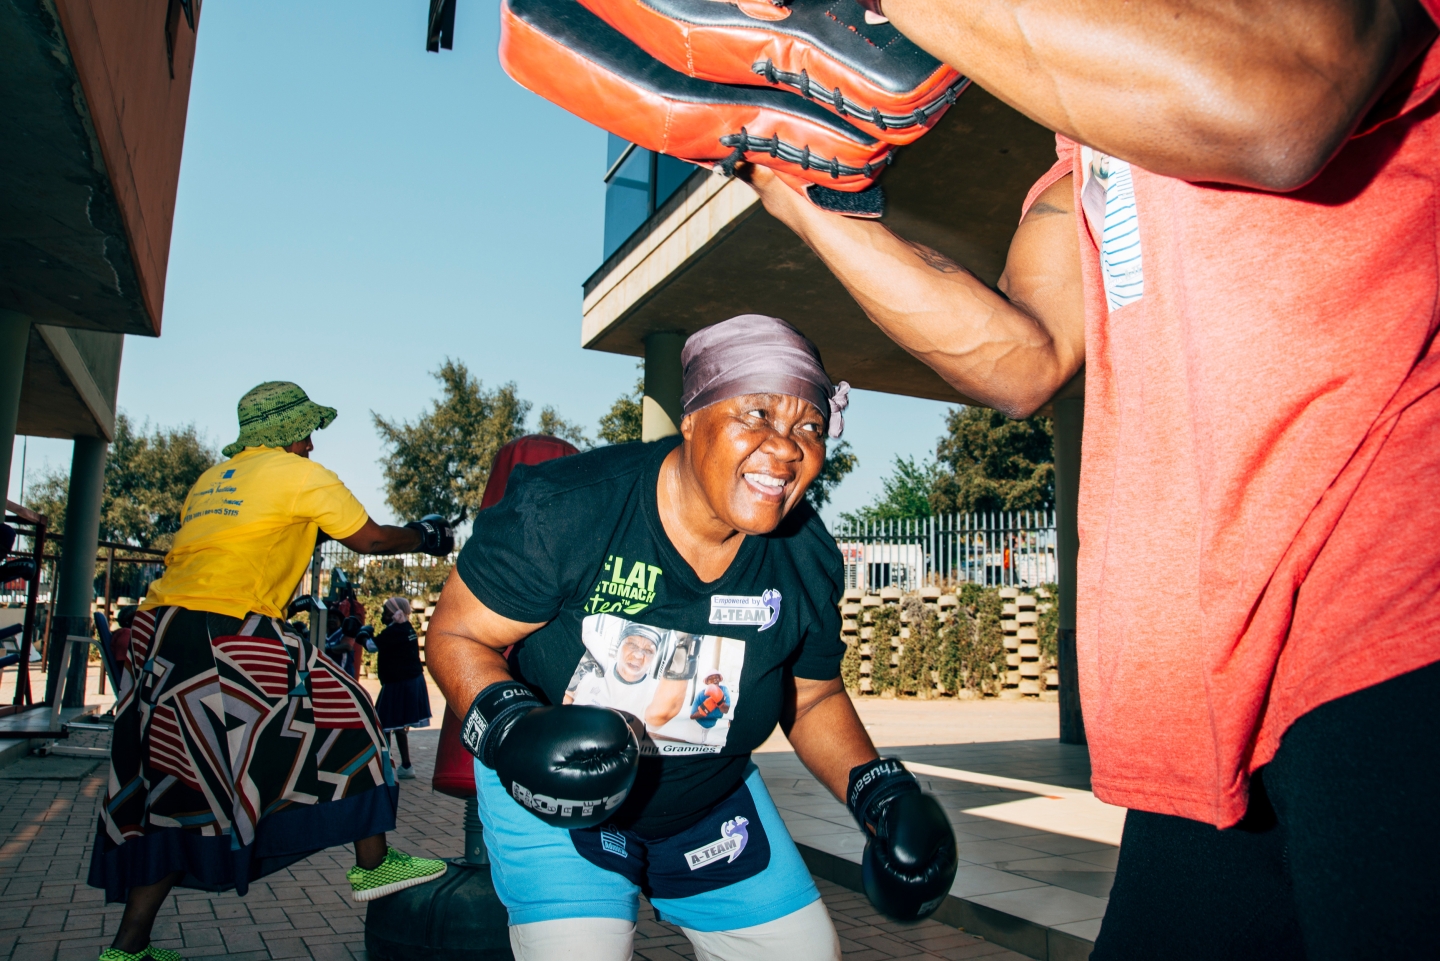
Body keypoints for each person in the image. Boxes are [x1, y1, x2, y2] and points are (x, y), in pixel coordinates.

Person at [740, 2, 1440, 957]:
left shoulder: (1263, 48)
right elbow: (1020, 359)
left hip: (1390, 611)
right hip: (1209, 684)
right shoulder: (1092, 144)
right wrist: (793, 190)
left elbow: (1290, 106)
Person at [426, 315, 958, 961]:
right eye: (756, 413)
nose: (786, 449)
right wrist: (510, 725)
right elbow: (456, 632)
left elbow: (811, 695)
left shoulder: (806, 556)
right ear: (692, 417)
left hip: (711, 803)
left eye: (808, 427)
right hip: (557, 803)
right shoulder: (568, 508)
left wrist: (879, 789)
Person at [90, 382, 455, 961]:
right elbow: (370, 538)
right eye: (306, 431)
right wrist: (428, 535)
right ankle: (376, 866)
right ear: (287, 433)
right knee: (349, 713)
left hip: (157, 635)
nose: (312, 444)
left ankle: (127, 949)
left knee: (179, 784)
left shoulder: (212, 480)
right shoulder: (299, 474)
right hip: (228, 628)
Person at [374, 596, 432, 780]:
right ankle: (406, 765)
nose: (384, 614)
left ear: (395, 612)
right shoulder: (407, 629)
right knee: (398, 725)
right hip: (408, 680)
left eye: (387, 610)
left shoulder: (396, 631)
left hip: (398, 682)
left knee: (384, 723)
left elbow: (371, 646)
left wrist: (361, 633)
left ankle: (386, 764)